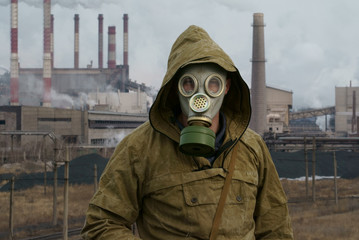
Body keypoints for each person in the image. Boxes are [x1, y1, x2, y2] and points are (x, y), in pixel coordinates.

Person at [81, 25, 293, 240]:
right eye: (189, 84)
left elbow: (276, 228)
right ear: (175, 87)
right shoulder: (139, 148)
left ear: (227, 87)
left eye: (213, 84)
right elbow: (101, 224)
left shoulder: (251, 148)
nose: (200, 97)